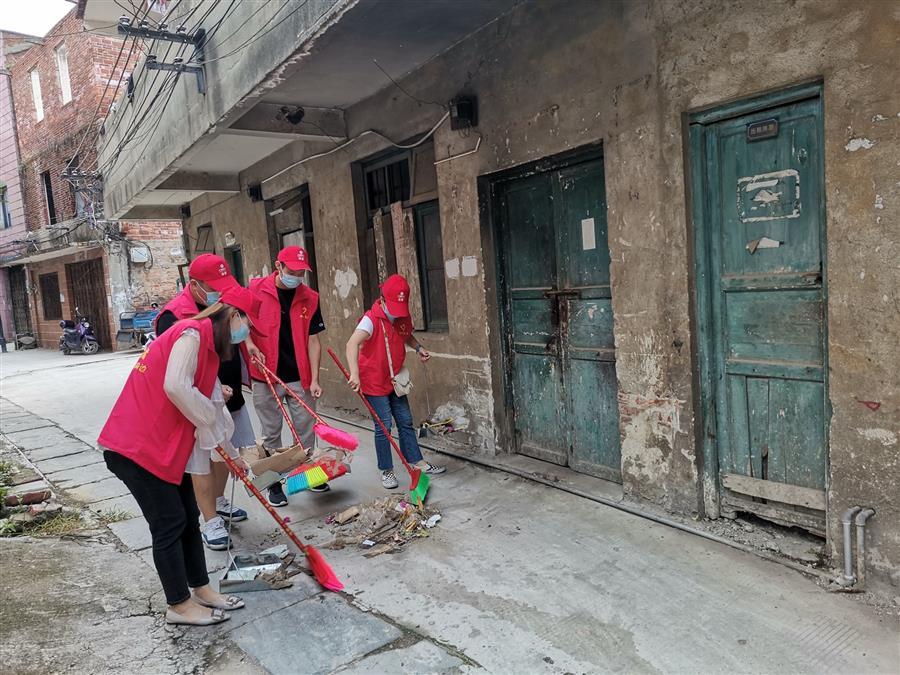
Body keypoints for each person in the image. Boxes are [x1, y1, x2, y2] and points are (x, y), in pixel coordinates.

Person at [98, 289, 260, 626]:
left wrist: (234, 456)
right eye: (246, 322)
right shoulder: (191, 334)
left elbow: (215, 414)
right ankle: (178, 605)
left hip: (166, 449)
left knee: (188, 515)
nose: (247, 333)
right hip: (136, 448)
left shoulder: (210, 350)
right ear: (230, 315)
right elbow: (177, 388)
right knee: (169, 522)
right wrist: (210, 424)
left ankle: (200, 588)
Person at [155, 253, 260, 550]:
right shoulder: (174, 316)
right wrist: (209, 397)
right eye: (213, 286)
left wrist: (247, 348)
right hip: (196, 399)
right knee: (201, 458)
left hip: (226, 391)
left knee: (227, 448)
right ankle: (210, 519)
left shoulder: (222, 305)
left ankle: (219, 500)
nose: (220, 292)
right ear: (194, 284)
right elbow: (174, 375)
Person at [345, 274, 445, 489]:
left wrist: (419, 348)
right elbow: (351, 344)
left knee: (405, 420)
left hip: (395, 379)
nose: (397, 312)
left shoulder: (402, 316)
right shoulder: (370, 320)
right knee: (384, 426)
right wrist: (354, 374)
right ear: (382, 299)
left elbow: (405, 335)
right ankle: (387, 471)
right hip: (373, 380)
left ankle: (417, 462)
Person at [249, 245, 327, 506]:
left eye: (301, 273)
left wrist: (315, 378)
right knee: (271, 433)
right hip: (265, 375)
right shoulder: (255, 291)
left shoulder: (310, 297)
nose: (296, 277)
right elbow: (239, 323)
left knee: (305, 429)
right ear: (278, 266)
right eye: (292, 271)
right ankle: (273, 484)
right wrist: (249, 347)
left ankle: (305, 477)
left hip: (299, 376)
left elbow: (314, 340)